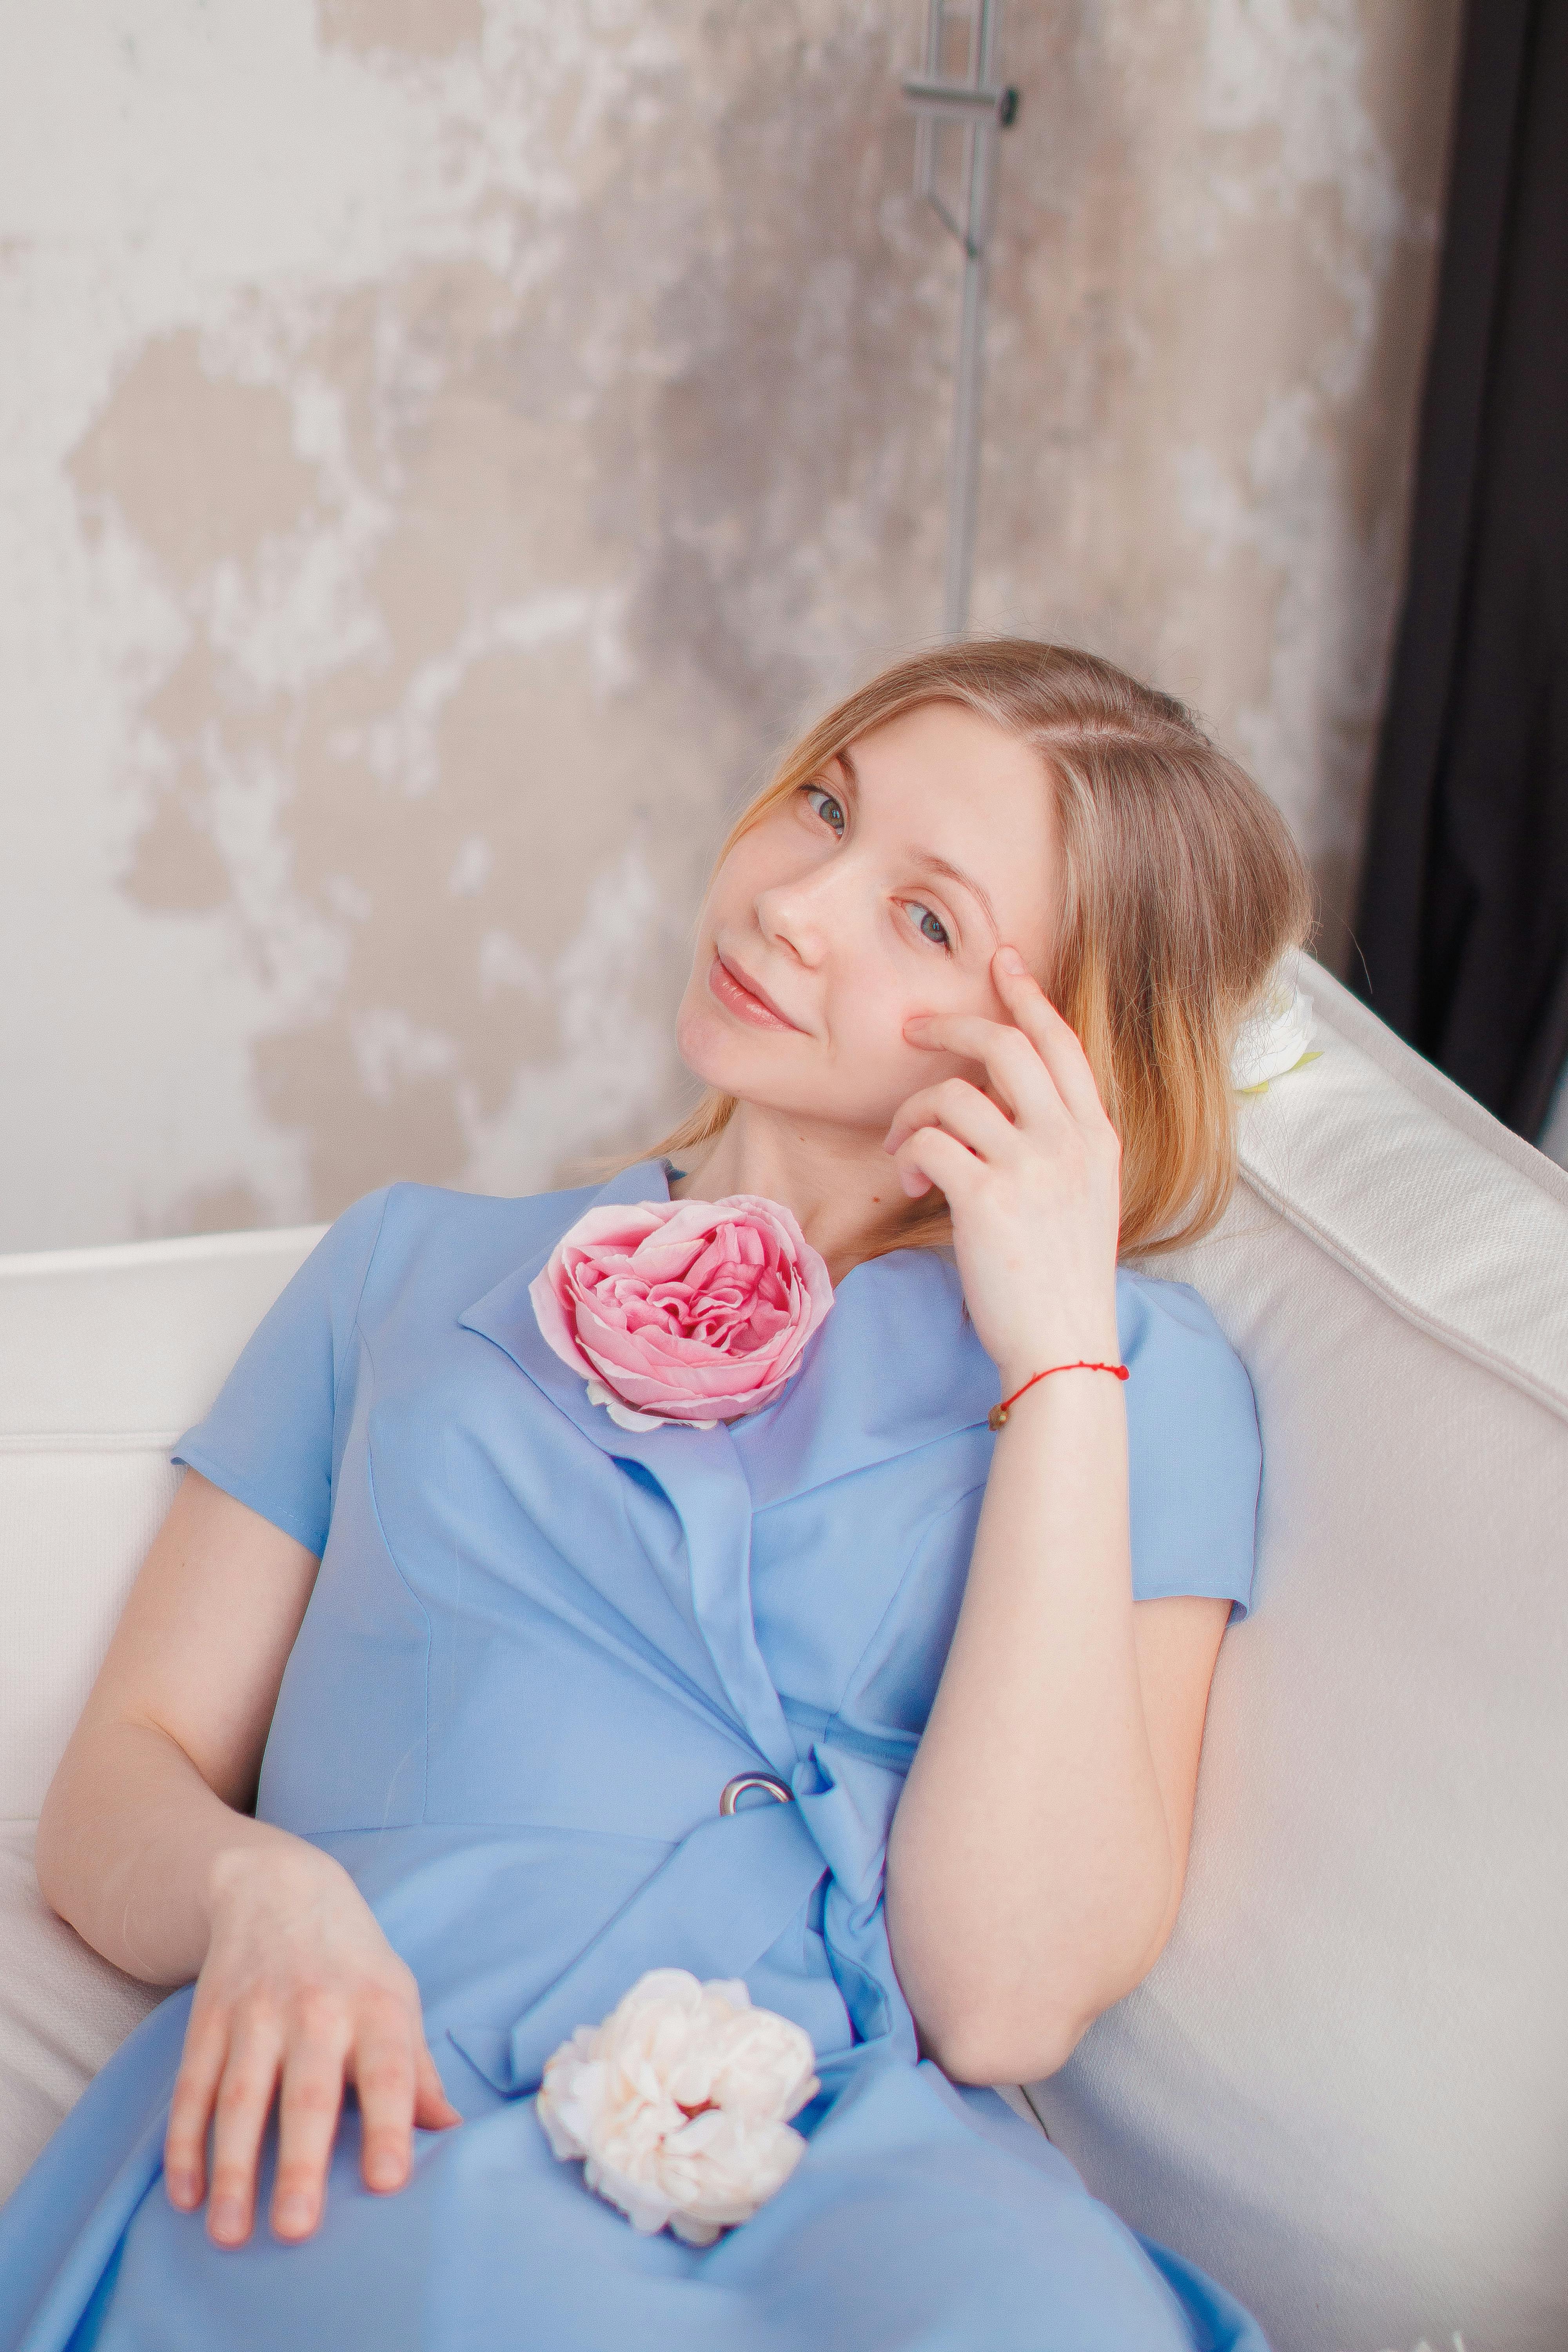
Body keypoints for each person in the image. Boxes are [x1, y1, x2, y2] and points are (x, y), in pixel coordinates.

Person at [0, 641, 1310, 2350]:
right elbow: (123, 1784)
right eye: (823, 810)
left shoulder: (1130, 1378)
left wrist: (1056, 1358)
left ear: (1061, 1046)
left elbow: (1000, 1999)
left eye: (925, 918)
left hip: (854, 2160)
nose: (794, 903)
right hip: (386, 2079)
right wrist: (264, 1893)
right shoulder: (407, 1269)